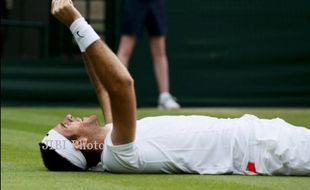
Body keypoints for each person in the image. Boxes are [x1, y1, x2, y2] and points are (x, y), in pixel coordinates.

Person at [40, 0, 310, 175]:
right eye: (65, 127)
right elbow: (122, 85)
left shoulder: (112, 137)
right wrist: (78, 21)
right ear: (81, 144)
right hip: (258, 148)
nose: (66, 119)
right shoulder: (116, 153)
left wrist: (73, 30)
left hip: (253, 135)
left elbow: (103, 89)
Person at [117, 0, 180, 109]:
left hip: (156, 2)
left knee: (160, 50)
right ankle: (118, 96)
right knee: (125, 49)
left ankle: (164, 97)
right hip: (134, 3)